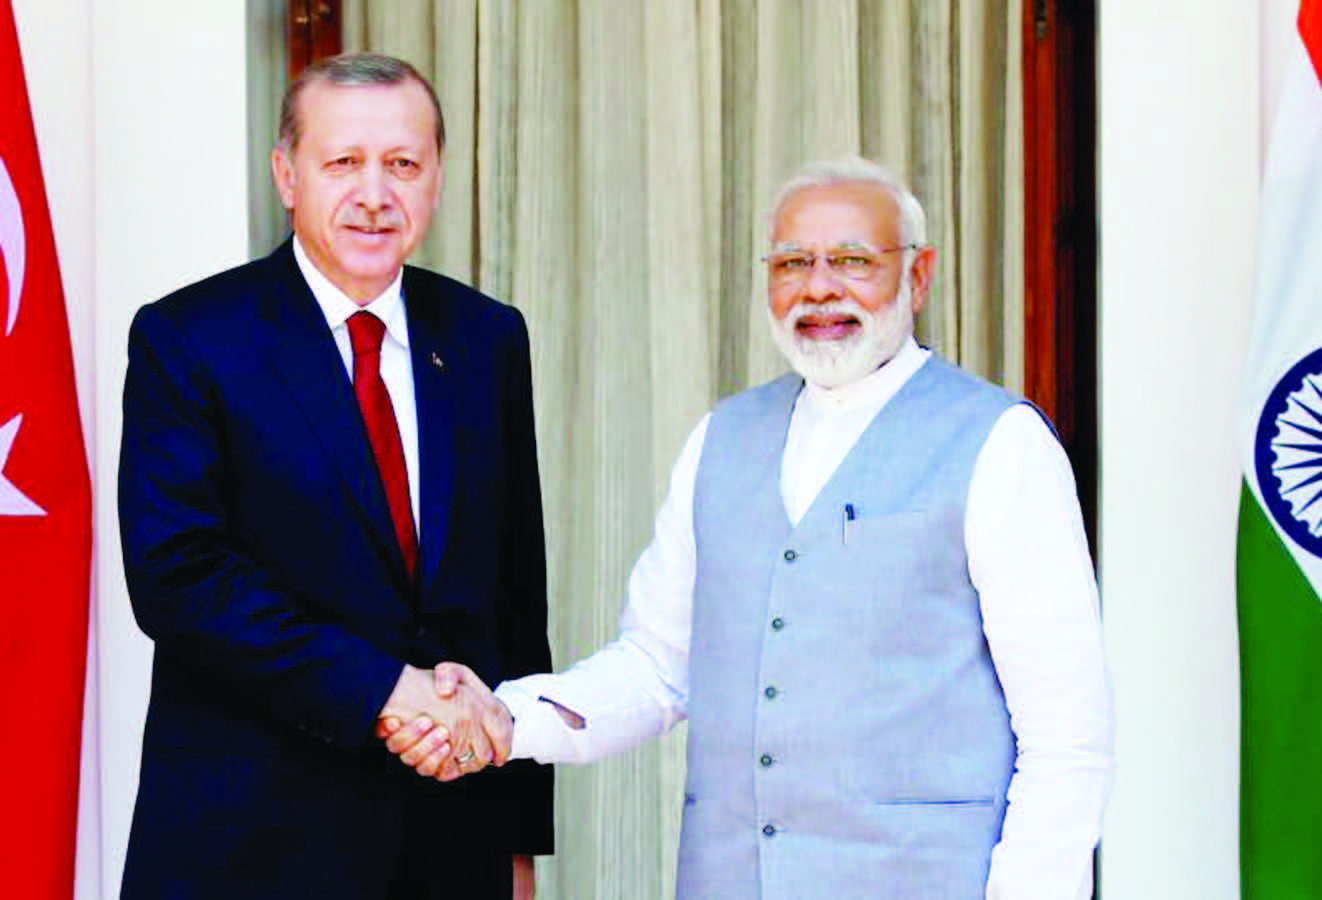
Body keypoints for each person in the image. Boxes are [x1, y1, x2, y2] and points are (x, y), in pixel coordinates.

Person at [390, 157, 1115, 898]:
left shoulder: (1000, 442)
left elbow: (1066, 739)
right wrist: (505, 718)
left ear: (919, 276)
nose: (820, 287)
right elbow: (657, 666)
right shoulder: (721, 439)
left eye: (854, 261)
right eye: (794, 262)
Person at [117, 53, 551, 899]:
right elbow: (179, 579)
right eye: (343, 162)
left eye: (403, 164)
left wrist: (518, 837)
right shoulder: (190, 338)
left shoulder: (486, 338)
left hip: (448, 840)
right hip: (252, 841)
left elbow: (514, 601)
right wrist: (386, 690)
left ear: (435, 179)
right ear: (287, 174)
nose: (375, 193)